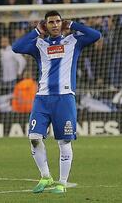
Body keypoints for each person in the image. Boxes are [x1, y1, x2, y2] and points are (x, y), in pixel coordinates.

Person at [12, 11, 101, 193]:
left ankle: (62, 183)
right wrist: (37, 31)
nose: (54, 24)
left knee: (64, 142)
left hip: (65, 98)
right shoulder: (39, 44)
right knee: (34, 138)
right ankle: (45, 177)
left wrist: (74, 25)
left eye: (57, 21)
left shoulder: (74, 41)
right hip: (42, 99)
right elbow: (16, 47)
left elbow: (96, 35)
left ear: (62, 23)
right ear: (45, 24)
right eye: (50, 22)